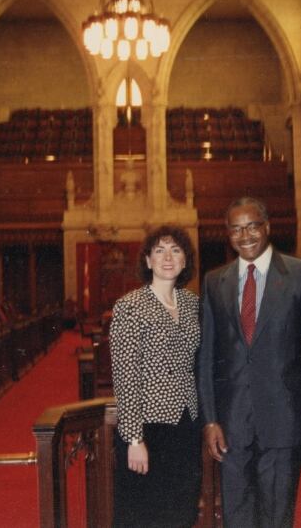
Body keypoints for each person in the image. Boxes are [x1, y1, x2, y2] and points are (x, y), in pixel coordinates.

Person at [198, 196, 301, 527]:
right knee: (236, 517)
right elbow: (206, 356)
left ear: (267, 227)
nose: (244, 235)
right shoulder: (214, 281)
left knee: (277, 516)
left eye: (252, 226)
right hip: (231, 423)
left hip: (283, 419)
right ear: (228, 234)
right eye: (236, 229)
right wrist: (210, 420)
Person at [109, 225, 202, 528]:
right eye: (159, 250)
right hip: (147, 428)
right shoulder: (129, 306)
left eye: (175, 250)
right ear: (147, 260)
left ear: (185, 261)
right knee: (145, 513)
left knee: (182, 510)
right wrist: (134, 438)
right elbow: (125, 376)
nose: (167, 257)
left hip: (186, 424)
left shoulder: (192, 305)